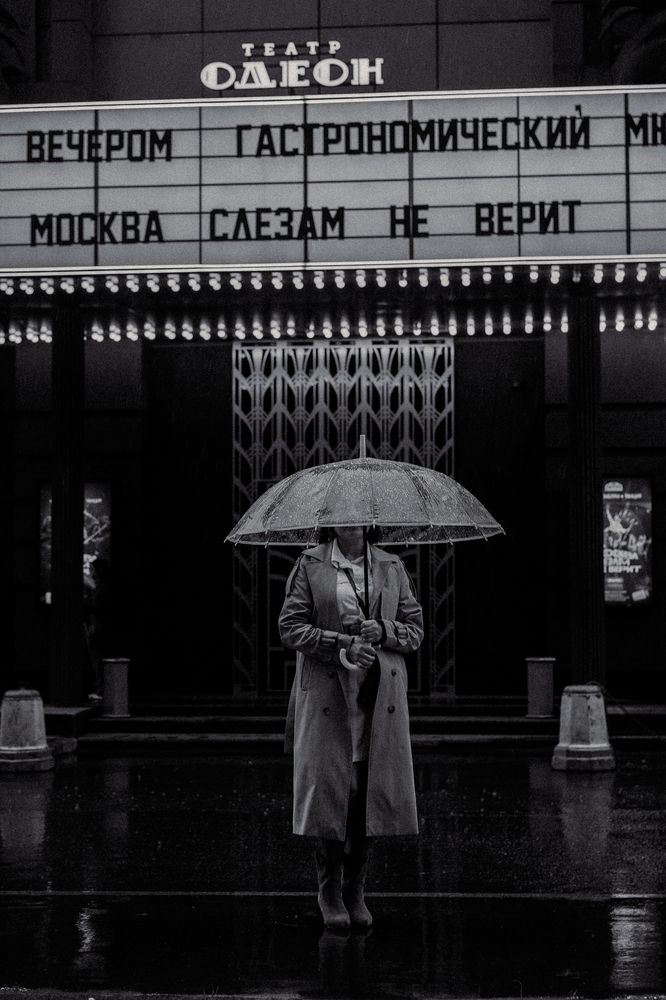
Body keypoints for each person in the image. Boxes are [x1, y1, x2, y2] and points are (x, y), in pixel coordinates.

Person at [278, 524, 423, 931]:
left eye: (358, 512)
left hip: (377, 696)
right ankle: (329, 888)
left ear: (368, 521)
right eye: (342, 511)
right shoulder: (310, 564)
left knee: (367, 792)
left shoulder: (391, 566)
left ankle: (355, 888)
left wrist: (385, 630)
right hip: (329, 695)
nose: (350, 518)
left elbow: (415, 630)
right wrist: (341, 642)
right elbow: (290, 627)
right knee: (335, 791)